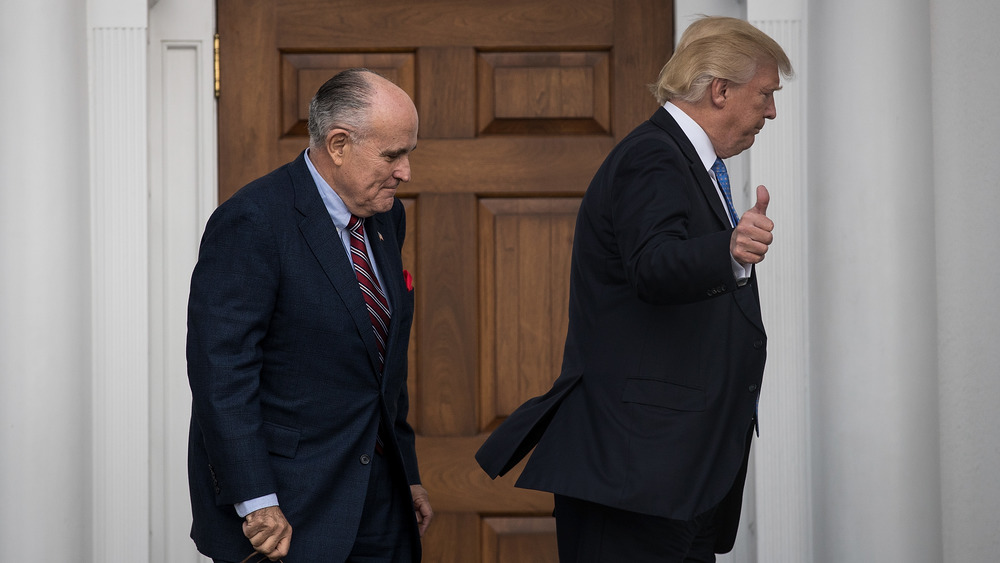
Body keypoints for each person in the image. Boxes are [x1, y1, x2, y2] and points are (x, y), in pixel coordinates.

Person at [475, 17, 793, 562]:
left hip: (673, 477)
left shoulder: (686, 161)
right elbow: (653, 266)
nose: (771, 111)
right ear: (720, 90)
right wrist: (728, 250)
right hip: (635, 473)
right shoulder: (653, 156)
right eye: (764, 94)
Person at [186, 68, 432, 563]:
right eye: (391, 155)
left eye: (408, 154)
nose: (405, 172)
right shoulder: (254, 220)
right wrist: (256, 500)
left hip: (379, 500)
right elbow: (222, 374)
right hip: (287, 509)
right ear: (338, 143)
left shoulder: (386, 216)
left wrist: (408, 474)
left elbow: (383, 364)